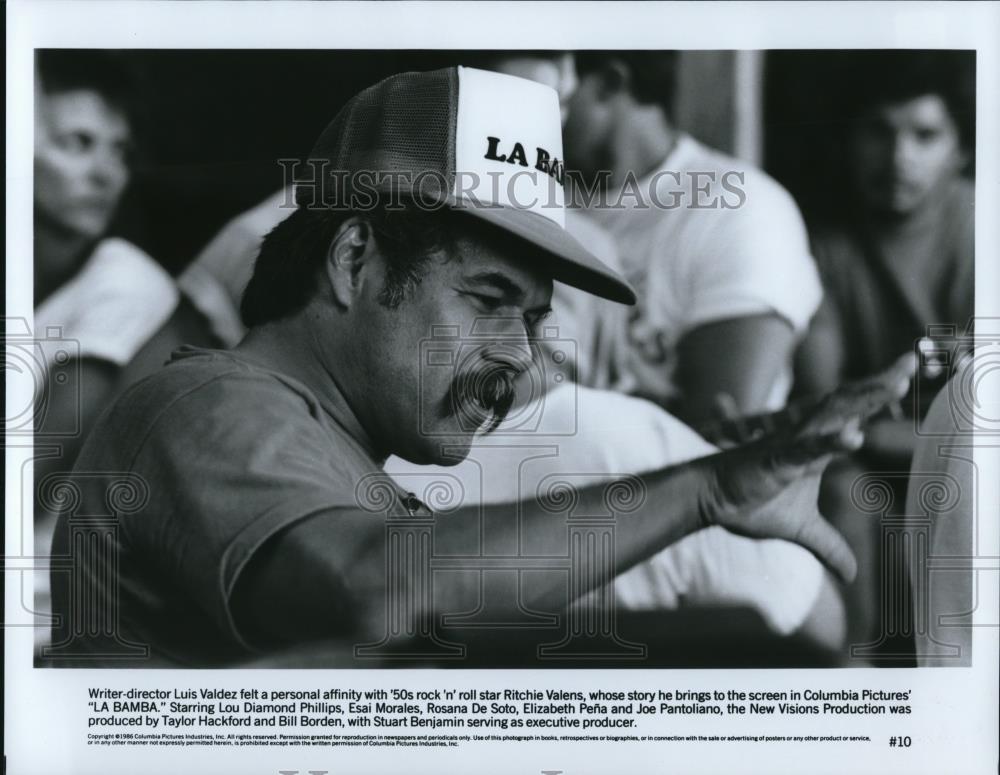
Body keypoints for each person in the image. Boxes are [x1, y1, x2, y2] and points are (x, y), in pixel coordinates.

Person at [47, 66, 911, 668]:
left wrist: (718, 481)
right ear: (354, 261)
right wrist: (705, 488)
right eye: (489, 299)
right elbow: (375, 590)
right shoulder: (206, 403)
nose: (517, 352)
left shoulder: (337, 461)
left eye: (534, 319)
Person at [794, 51, 975, 652]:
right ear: (850, 139)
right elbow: (824, 405)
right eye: (878, 131)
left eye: (925, 135)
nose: (898, 158)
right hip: (867, 462)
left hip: (969, 456)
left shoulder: (983, 231)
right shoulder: (826, 244)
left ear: (963, 148)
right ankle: (857, 677)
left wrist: (875, 430)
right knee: (842, 486)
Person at [562, 51, 822, 429]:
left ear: (608, 83)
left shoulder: (736, 208)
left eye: (555, 89)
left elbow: (718, 435)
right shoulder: (524, 197)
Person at [33, 52, 179, 486]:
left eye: (120, 151)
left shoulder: (125, 282)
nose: (107, 174)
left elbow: (26, 478)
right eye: (78, 143)